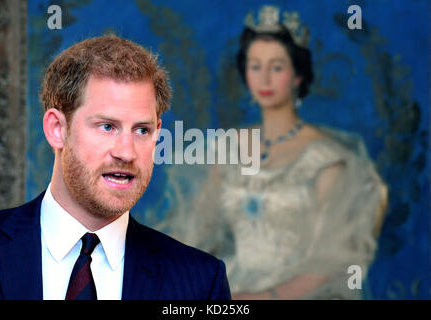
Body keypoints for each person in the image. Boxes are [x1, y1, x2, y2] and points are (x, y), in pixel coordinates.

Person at [0, 35, 231, 300]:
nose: (126, 152)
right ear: (57, 129)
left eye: (142, 130)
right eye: (107, 127)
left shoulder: (200, 283)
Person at [165, 6, 387, 300]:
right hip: (229, 287)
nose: (264, 78)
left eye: (277, 67)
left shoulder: (327, 159)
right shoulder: (229, 147)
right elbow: (199, 232)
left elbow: (333, 262)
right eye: (255, 66)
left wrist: (266, 297)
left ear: (297, 76)